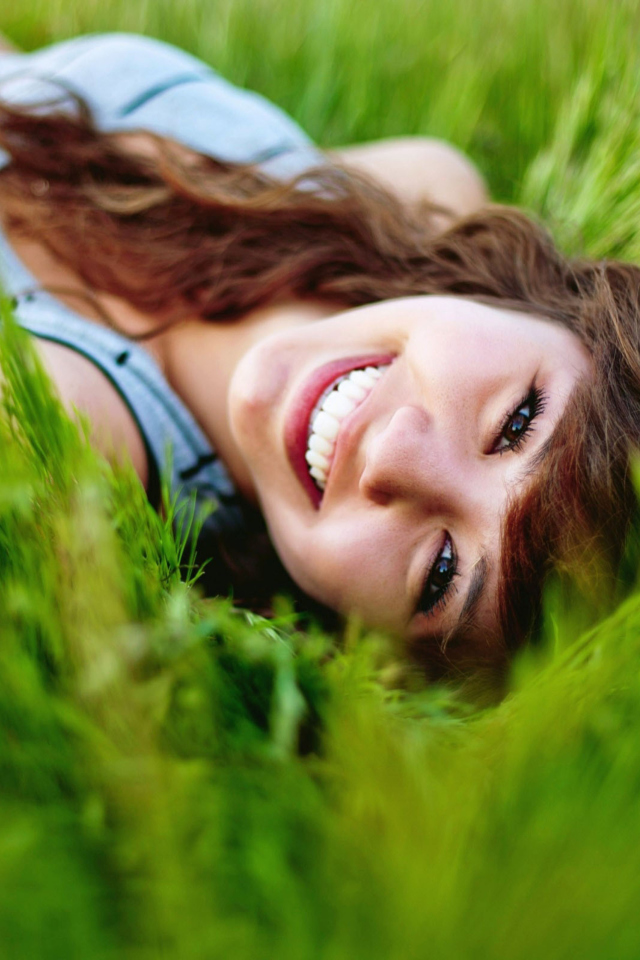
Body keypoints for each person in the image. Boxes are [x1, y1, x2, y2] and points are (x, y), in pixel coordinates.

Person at [0, 31, 633, 679]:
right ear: (560, 314)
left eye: (440, 573)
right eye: (517, 421)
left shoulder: (71, 431)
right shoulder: (420, 193)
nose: (396, 453)